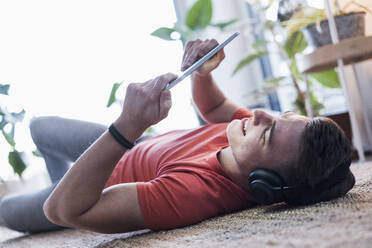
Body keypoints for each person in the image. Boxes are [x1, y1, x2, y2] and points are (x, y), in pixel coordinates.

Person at [0, 38, 355, 234]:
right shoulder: (246, 133)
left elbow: (62, 210)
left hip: (101, 173)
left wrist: (127, 125)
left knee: (5, 212)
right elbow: (213, 106)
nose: (261, 114)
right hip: (132, 146)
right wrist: (202, 73)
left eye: (269, 132)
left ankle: (68, 180)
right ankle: (64, 177)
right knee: (38, 126)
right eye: (281, 115)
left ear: (264, 183)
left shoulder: (192, 195)